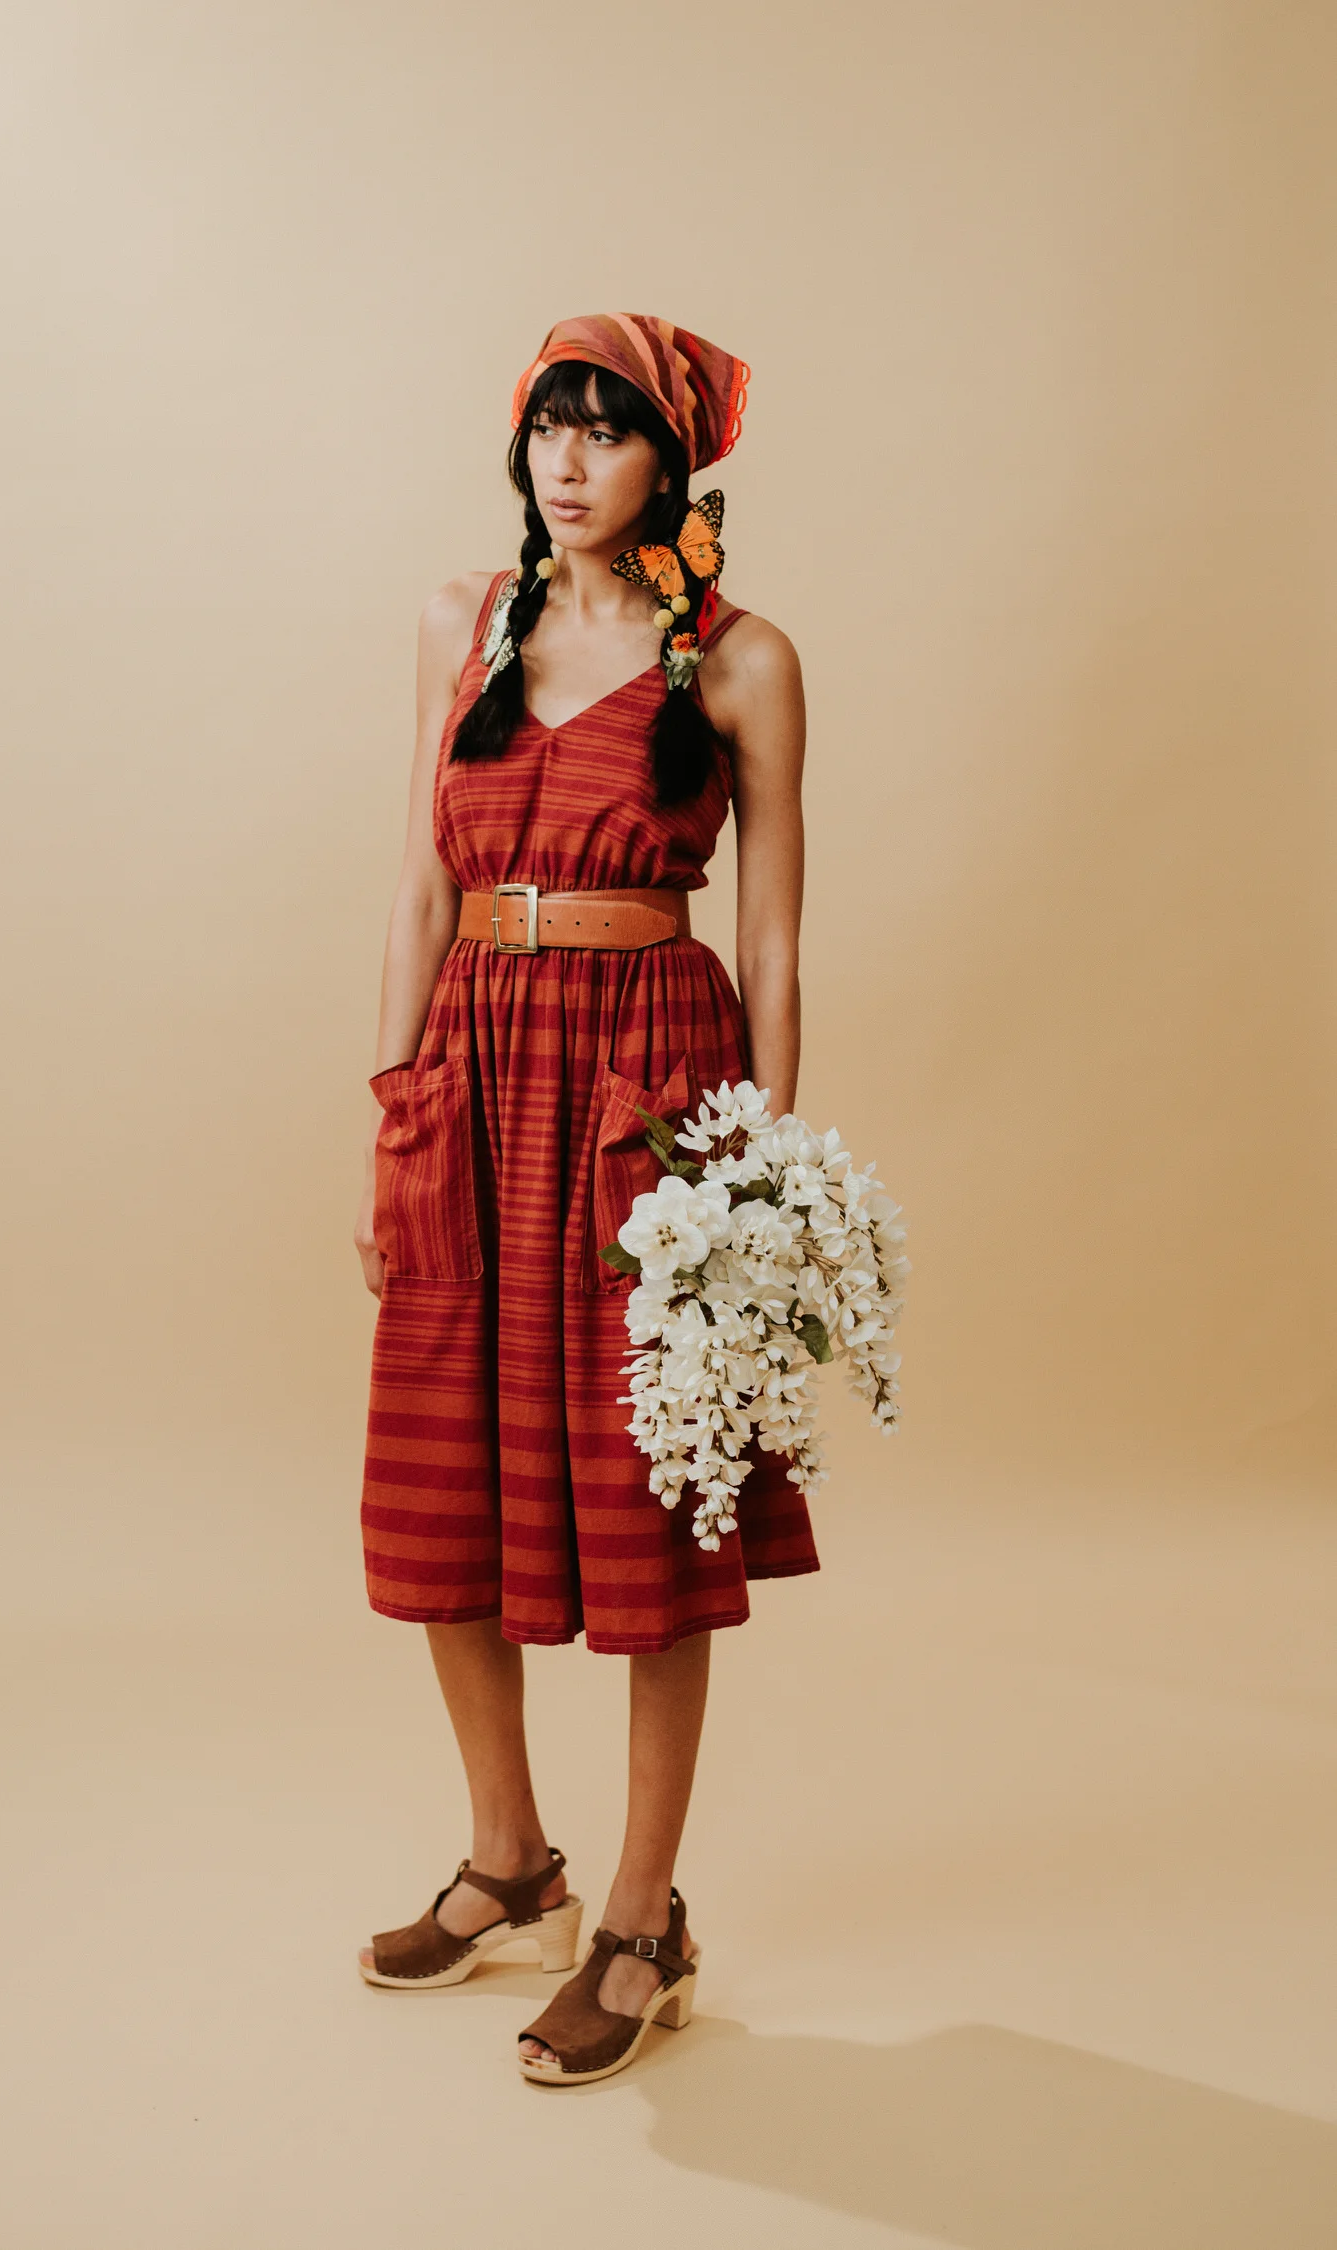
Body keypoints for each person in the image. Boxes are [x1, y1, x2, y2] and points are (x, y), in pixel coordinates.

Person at [353, 315, 818, 2085]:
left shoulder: (744, 661)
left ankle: (640, 1917)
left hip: (649, 1092)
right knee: (438, 1475)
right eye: (551, 424)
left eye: (610, 433)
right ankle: (508, 1857)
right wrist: (391, 1108)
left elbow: (768, 937)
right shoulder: (459, 624)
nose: (570, 460)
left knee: (647, 1508)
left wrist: (766, 1177)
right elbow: (413, 883)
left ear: (669, 468)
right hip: (472, 1078)